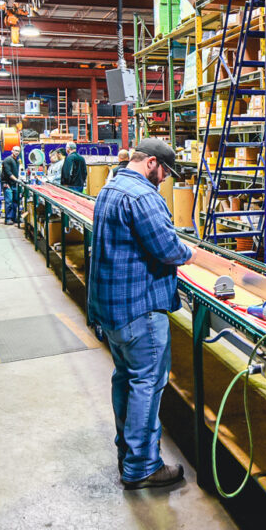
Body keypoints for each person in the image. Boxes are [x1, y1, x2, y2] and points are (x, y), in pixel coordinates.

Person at [88, 138, 194, 490]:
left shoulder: (111, 187)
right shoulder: (143, 195)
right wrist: (189, 253)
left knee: (127, 379)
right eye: (164, 170)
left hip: (113, 309)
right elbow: (166, 248)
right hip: (140, 308)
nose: (165, 179)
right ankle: (142, 467)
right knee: (147, 383)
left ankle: (128, 454)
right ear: (151, 162)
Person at [0, 147, 22, 224]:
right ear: (12, 151)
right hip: (7, 184)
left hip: (14, 184)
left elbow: (15, 172)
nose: (17, 152)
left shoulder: (17, 161)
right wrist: (16, 180)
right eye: (15, 150)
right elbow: (8, 173)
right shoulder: (7, 160)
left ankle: (14, 217)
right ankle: (8, 219)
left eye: (18, 151)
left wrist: (18, 180)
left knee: (15, 201)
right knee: (9, 202)